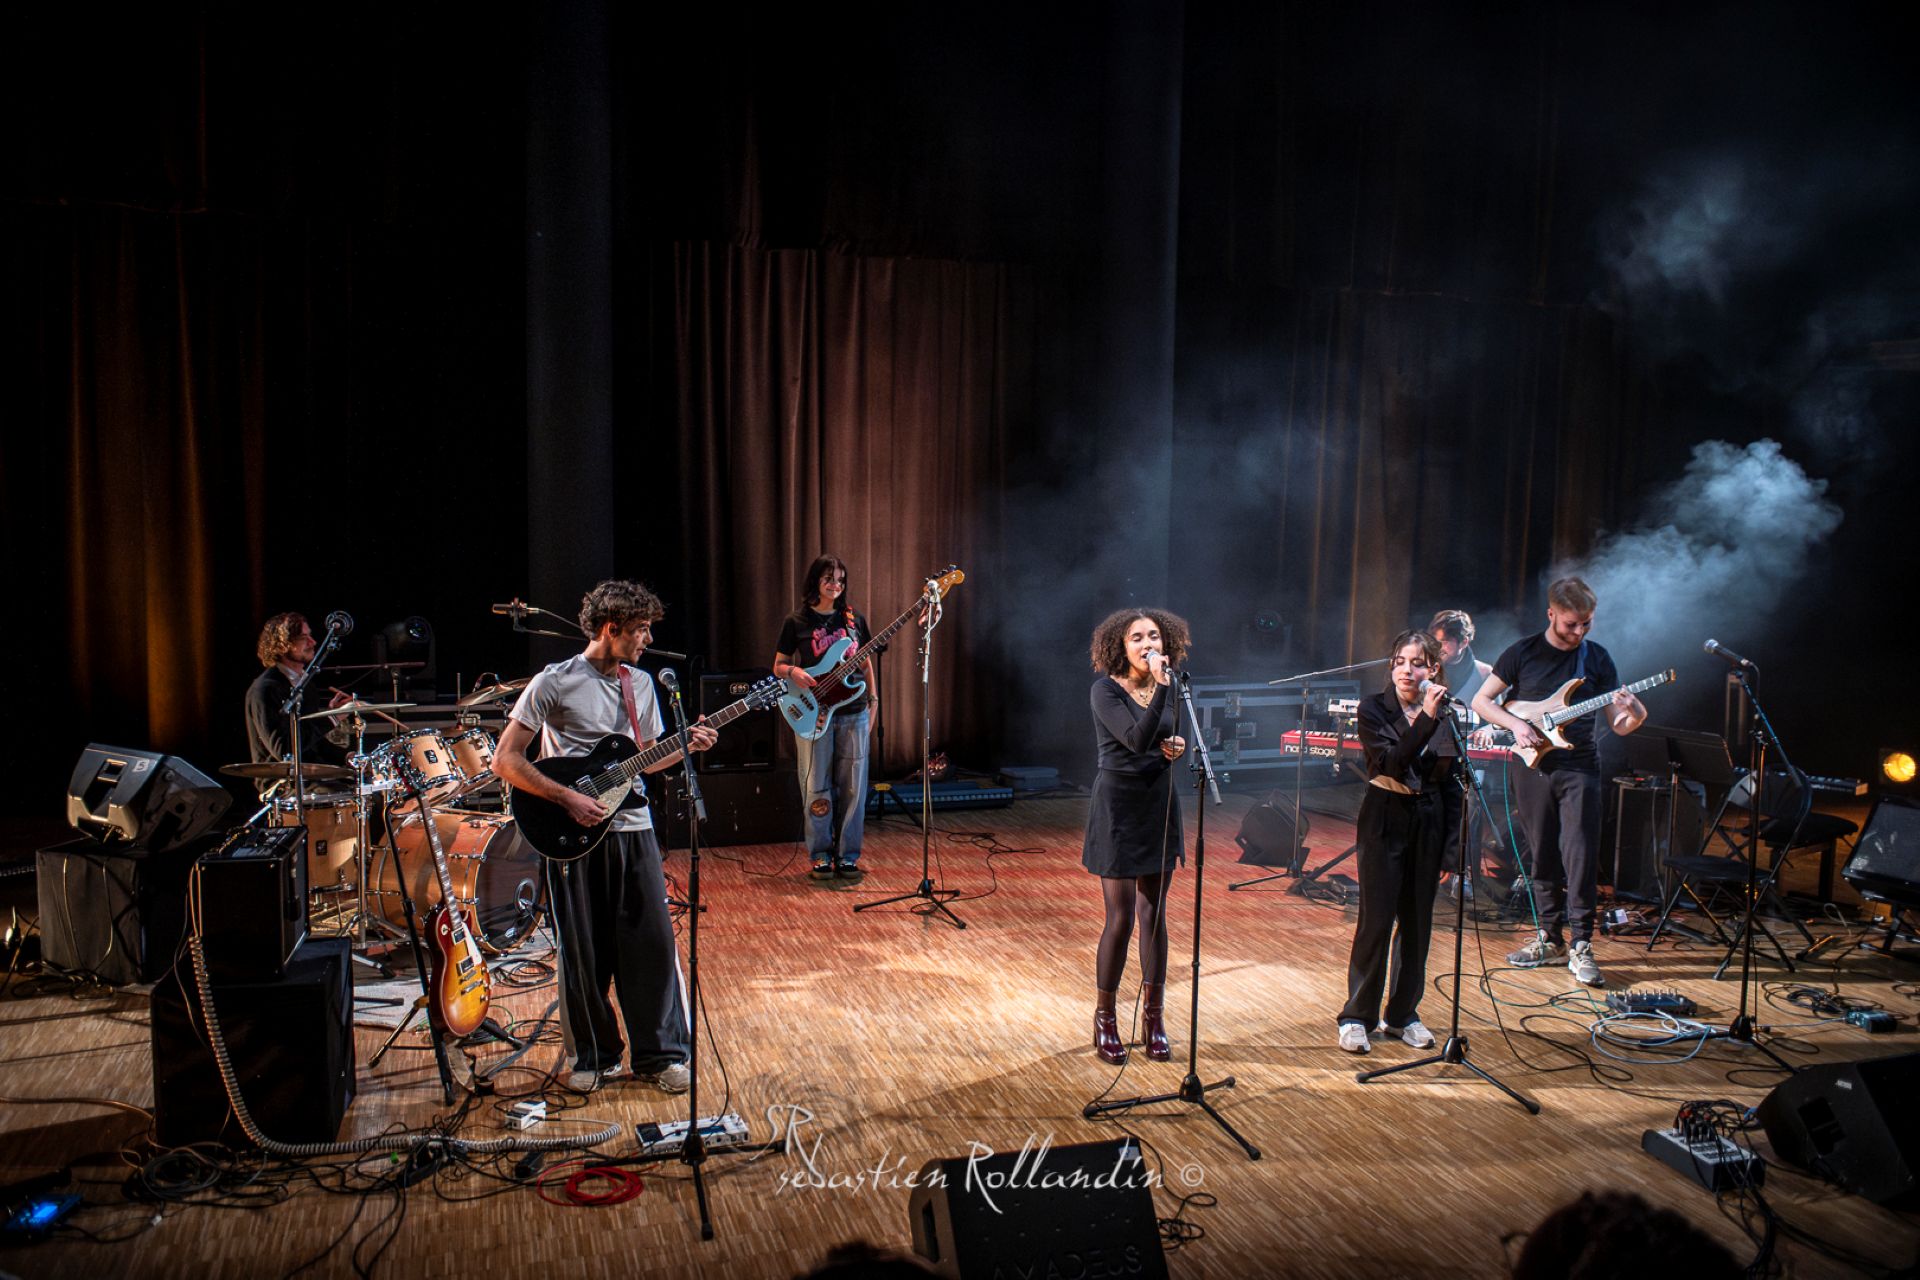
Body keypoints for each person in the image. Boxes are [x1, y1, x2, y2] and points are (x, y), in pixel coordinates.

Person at [493, 580, 716, 1093]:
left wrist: (689, 745)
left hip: (633, 828)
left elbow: (649, 757)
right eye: (639, 630)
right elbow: (506, 760)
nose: (647, 639)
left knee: (651, 947)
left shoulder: (640, 684)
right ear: (610, 628)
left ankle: (660, 1057)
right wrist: (565, 798)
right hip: (570, 834)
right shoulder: (553, 681)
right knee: (584, 953)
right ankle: (595, 1055)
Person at [1471, 577, 1646, 987]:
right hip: (1531, 765)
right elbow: (1482, 701)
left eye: (1586, 623)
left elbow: (1618, 726)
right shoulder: (1522, 653)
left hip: (1580, 766)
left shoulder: (1597, 659)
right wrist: (1515, 724)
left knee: (1580, 852)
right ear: (1551, 614)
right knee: (1541, 850)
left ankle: (1582, 943)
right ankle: (1549, 937)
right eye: (1571, 624)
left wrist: (1635, 715)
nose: (1580, 632)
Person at [1082, 607, 1189, 1065]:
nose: (1149, 644)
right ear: (1119, 647)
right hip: (1119, 807)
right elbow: (1135, 739)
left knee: (1155, 914)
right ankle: (1105, 1017)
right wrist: (1163, 693)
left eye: (1155, 636)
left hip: (1159, 803)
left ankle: (1154, 1019)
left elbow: (1166, 740)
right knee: (1121, 918)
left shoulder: (1170, 686)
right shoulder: (1105, 690)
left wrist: (1178, 747)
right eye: (1137, 638)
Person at [1337, 630, 1451, 1054]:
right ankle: (1356, 1016)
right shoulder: (1373, 709)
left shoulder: (1445, 714)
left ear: (1433, 670)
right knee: (1377, 921)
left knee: (1418, 927)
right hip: (1385, 819)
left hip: (1428, 823)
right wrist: (1425, 718)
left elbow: (1453, 785)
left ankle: (1403, 1015)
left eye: (1418, 663)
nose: (1407, 670)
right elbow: (1391, 763)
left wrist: (1453, 851)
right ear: (1391, 666)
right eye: (1400, 661)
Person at [773, 555, 879, 884]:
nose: (836, 586)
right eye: (829, 579)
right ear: (815, 582)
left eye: (841, 580)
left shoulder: (853, 619)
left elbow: (865, 664)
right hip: (814, 713)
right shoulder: (797, 621)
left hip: (854, 711)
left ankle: (848, 855)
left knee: (854, 787)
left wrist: (873, 701)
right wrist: (794, 672)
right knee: (816, 785)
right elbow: (777, 665)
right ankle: (820, 854)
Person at [243, 611, 348, 796]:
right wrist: (331, 719)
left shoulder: (306, 685)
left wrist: (348, 757)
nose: (313, 642)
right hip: (281, 784)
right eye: (303, 638)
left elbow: (311, 744)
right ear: (283, 645)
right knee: (337, 793)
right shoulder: (265, 689)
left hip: (308, 778)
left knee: (365, 789)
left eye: (310, 636)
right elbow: (284, 750)